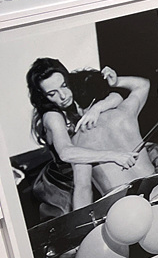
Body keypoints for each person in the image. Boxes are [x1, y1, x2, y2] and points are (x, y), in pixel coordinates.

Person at [26, 59, 150, 217]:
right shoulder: (52, 116)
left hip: (93, 166)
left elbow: (115, 96)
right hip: (65, 176)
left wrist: (98, 107)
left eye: (64, 86)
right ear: (43, 96)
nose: (63, 96)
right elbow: (66, 153)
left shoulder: (85, 123)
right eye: (52, 94)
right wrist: (115, 156)